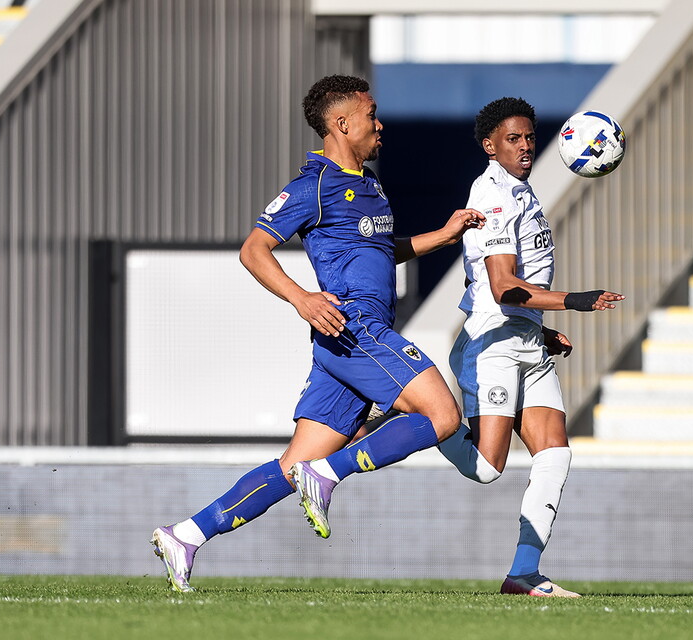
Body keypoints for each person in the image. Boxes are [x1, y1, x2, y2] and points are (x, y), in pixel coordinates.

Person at [151, 74, 486, 593]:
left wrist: (441, 236)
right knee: (442, 416)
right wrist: (302, 298)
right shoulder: (313, 187)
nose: (380, 124)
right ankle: (329, 474)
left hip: (343, 344)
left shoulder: (370, 184)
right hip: (355, 329)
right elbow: (253, 250)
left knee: (295, 465)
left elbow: (380, 249)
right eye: (371, 114)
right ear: (342, 123)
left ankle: (187, 535)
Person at [434, 97, 624, 598]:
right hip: (493, 343)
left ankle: (523, 574)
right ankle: (423, 411)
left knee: (555, 454)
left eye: (529, 138)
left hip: (526, 339)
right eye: (512, 139)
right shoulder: (492, 194)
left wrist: (541, 328)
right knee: (486, 468)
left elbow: (520, 285)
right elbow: (502, 287)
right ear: (489, 145)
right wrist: (575, 301)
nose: (524, 147)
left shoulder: (523, 190)